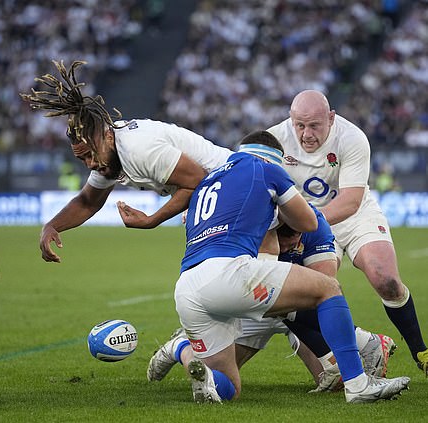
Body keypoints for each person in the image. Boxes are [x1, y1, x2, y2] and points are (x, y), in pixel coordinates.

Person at [171, 130, 409, 404]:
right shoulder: (266, 169)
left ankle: (200, 371)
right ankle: (358, 384)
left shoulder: (209, 179)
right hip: (228, 272)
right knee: (328, 288)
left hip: (187, 286)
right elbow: (309, 222)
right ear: (275, 159)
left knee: (230, 387)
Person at [148, 204, 397, 394]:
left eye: (299, 238)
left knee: (334, 382)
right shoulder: (249, 226)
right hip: (249, 306)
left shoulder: (315, 224)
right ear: (271, 231)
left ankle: (366, 342)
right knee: (219, 380)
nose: (294, 245)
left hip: (294, 314)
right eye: (287, 240)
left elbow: (324, 292)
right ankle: (179, 347)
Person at [267, 89, 428, 375]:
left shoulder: (352, 137)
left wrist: (302, 223)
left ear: (331, 118)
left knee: (386, 279)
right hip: (304, 223)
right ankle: (356, 354)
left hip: (350, 215)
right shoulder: (275, 139)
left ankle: (421, 352)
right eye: (299, 125)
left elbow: (351, 200)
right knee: (311, 296)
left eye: (314, 125)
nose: (305, 134)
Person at [20, 60, 232, 262]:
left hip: (232, 180)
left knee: (203, 285)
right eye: (82, 158)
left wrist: (152, 220)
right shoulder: (107, 156)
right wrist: (51, 226)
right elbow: (88, 202)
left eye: (91, 154)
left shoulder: (138, 148)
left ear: (108, 136)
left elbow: (197, 179)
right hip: (221, 188)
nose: (90, 164)